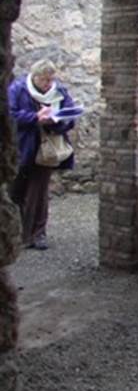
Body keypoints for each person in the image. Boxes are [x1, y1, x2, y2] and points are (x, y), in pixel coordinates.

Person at [7, 59, 77, 250]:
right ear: (34, 77)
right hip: (22, 146)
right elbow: (10, 114)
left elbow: (69, 117)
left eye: (50, 80)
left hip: (46, 150)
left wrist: (54, 121)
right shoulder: (18, 89)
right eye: (44, 80)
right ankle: (18, 232)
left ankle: (37, 234)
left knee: (38, 193)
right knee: (16, 190)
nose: (48, 84)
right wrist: (35, 118)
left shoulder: (59, 91)